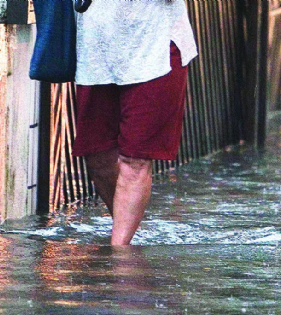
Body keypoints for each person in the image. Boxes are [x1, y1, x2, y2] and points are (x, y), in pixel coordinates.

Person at [72, 0, 198, 245]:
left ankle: (120, 257)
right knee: (98, 156)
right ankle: (126, 233)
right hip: (96, 47)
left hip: (155, 46)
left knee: (135, 159)